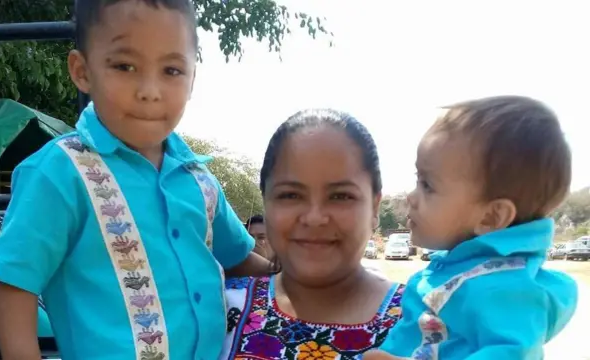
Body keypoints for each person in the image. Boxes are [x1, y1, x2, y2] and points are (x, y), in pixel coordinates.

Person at [0, 1, 269, 359]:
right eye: (124, 66)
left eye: (172, 70)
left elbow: (239, 258)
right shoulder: (59, 173)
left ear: (193, 79)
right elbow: (14, 283)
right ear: (82, 71)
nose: (149, 90)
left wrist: (307, 272)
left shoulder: (199, 179)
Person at [371, 96, 578, 360]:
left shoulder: (505, 289)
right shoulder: (464, 270)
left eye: (428, 185)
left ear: (491, 217)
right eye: (417, 179)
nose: (411, 197)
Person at [219, 109, 405, 360]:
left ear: (375, 207)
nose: (315, 218)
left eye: (340, 196)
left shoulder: (438, 321)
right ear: (266, 203)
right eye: (290, 195)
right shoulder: (219, 309)